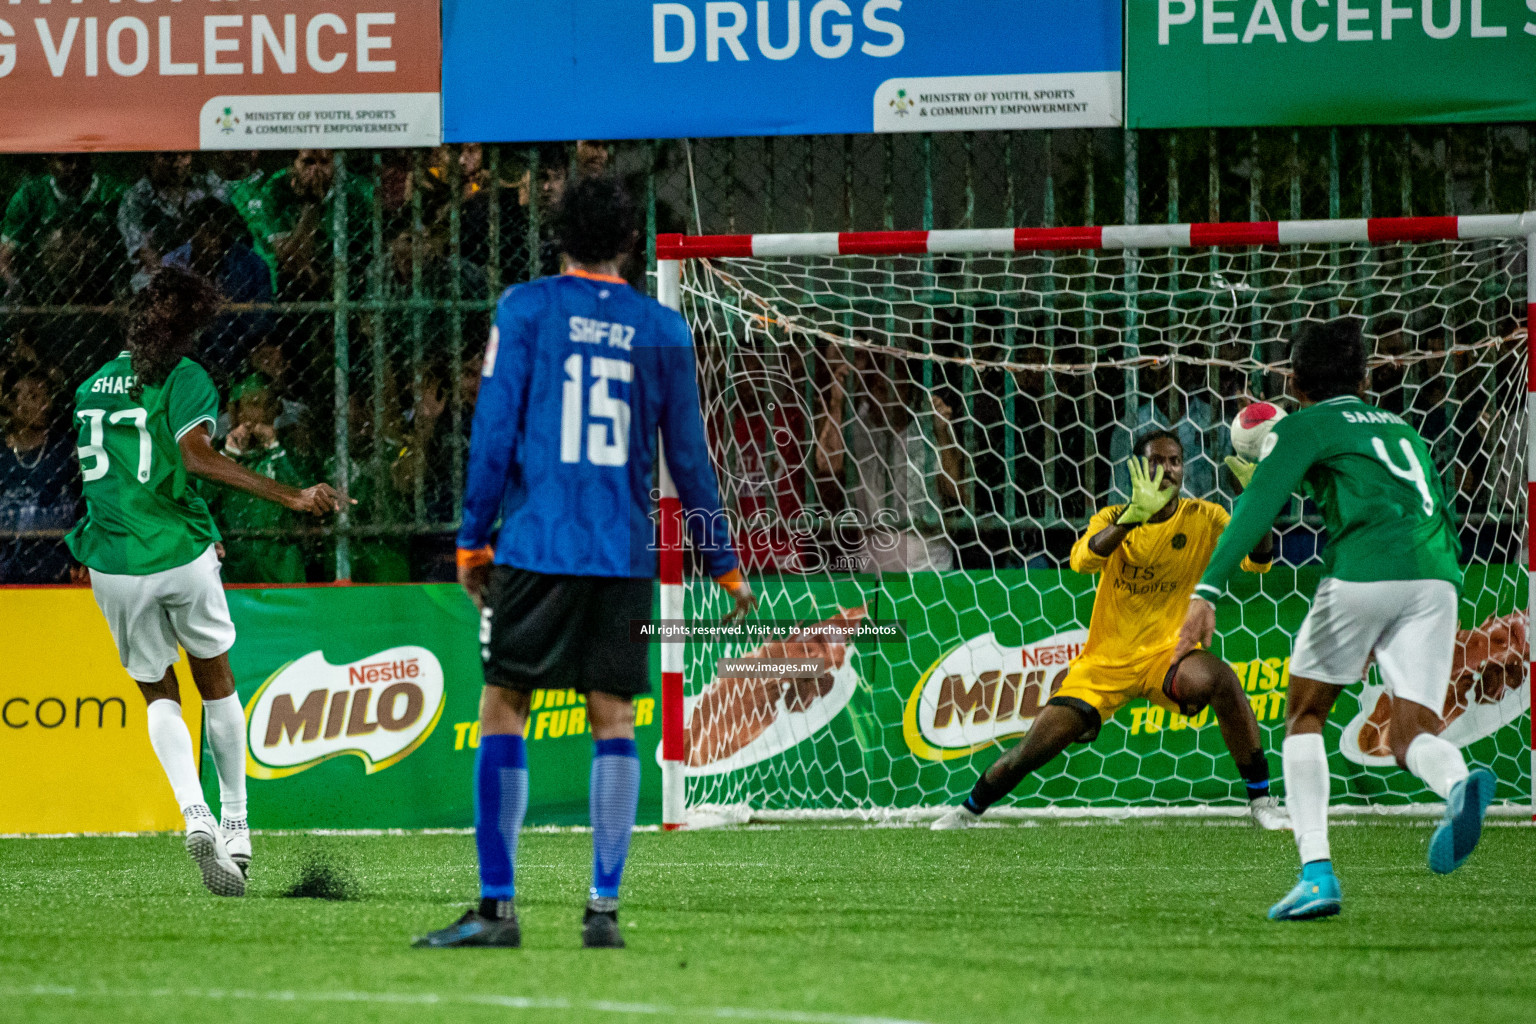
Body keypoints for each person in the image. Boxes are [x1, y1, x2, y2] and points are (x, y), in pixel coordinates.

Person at [414, 175, 755, 950]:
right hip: (621, 550)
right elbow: (690, 460)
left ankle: (497, 911)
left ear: (557, 236)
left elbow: (494, 431)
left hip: (538, 542)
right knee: (614, 717)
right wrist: (723, 560)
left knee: (505, 704)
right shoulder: (662, 327)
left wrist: (473, 539)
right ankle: (602, 909)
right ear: (632, 244)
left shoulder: (526, 308)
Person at [1176, 319, 1493, 922]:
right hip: (1438, 576)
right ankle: (1456, 785)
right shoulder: (1403, 429)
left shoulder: (1306, 424)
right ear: (1365, 377)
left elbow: (1255, 510)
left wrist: (1207, 589)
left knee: (1305, 713)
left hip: (1364, 571)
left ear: (1295, 381)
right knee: (1409, 734)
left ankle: (1316, 872)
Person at [67, 267, 347, 897]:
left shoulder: (88, 386)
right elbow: (195, 456)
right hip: (180, 552)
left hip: (112, 562)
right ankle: (237, 824)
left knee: (156, 691)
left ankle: (194, 815)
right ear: (190, 325)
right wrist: (292, 496)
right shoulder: (187, 376)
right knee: (215, 680)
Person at [933, 430, 1285, 831]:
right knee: (1032, 750)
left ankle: (1261, 801)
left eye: (1175, 461)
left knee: (1221, 679)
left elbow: (1259, 561)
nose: (1167, 470)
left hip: (1167, 656)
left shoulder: (1205, 517)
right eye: (1156, 461)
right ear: (1136, 468)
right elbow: (1082, 561)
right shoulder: (1112, 516)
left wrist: (1260, 503)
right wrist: (1133, 516)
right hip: (1104, 666)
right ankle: (968, 810)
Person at [0, 367, 79, 583]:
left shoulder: (66, 452)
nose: (44, 404)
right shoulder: (3, 455)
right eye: (33, 396)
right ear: (10, 404)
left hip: (57, 567)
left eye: (46, 395)